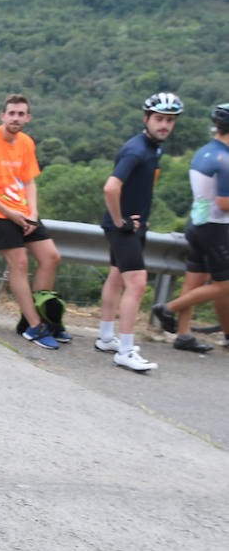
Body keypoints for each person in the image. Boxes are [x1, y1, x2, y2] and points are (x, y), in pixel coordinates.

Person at [0, 94, 66, 349]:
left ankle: (36, 315)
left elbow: (29, 181)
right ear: (3, 115)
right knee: (19, 262)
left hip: (23, 211)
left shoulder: (26, 143)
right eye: (11, 113)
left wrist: (32, 212)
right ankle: (35, 326)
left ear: (28, 118)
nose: (16, 118)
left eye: (21, 114)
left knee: (51, 257)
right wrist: (10, 214)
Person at [95, 92, 182, 372]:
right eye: (159, 119)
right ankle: (125, 351)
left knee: (117, 277)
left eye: (170, 121)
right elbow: (111, 187)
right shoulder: (137, 149)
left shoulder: (154, 147)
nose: (164, 125)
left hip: (130, 225)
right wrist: (121, 221)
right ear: (146, 119)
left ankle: (107, 337)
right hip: (124, 227)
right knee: (138, 284)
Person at [151, 102, 229, 350]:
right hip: (215, 227)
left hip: (196, 222)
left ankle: (184, 335)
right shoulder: (225, 159)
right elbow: (224, 203)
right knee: (224, 285)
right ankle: (167, 308)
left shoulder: (204, 151)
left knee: (195, 280)